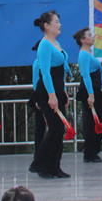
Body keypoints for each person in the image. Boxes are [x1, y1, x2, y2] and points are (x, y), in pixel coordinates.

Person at [33, 10, 72, 178]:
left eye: (59, 21)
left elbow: (60, 71)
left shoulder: (56, 43)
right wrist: (52, 95)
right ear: (46, 26)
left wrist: (63, 92)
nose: (59, 24)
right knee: (55, 128)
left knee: (59, 129)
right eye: (56, 21)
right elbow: (45, 72)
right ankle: (40, 164)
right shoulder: (44, 44)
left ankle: (55, 167)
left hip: (57, 88)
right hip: (47, 91)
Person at [73, 27, 102, 163]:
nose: (92, 37)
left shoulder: (89, 53)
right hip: (90, 92)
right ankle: (90, 153)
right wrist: (90, 94)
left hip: (94, 91)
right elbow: (85, 75)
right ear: (82, 40)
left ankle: (92, 150)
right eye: (89, 35)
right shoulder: (83, 54)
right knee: (92, 122)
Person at [27, 40, 45, 174]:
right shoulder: (37, 63)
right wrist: (37, 99)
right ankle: (38, 153)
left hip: (48, 95)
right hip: (40, 97)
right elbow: (35, 82)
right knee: (40, 127)